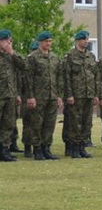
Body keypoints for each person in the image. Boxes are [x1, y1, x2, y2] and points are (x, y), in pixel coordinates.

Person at [24, 31, 63, 161]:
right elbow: (28, 78)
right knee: (37, 123)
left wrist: (58, 95)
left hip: (52, 96)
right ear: (40, 42)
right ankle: (37, 149)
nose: (48, 44)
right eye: (46, 41)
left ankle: (46, 148)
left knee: (49, 123)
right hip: (38, 96)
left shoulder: (55, 58)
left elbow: (58, 78)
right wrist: (30, 96)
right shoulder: (33, 57)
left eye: (50, 41)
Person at [62, 30, 98, 159]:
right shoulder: (70, 56)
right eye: (84, 39)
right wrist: (69, 95)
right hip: (76, 95)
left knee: (86, 122)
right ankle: (74, 148)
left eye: (87, 39)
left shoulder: (91, 56)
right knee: (74, 122)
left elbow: (95, 76)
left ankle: (82, 146)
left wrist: (95, 94)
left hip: (89, 94)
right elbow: (66, 77)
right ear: (78, 41)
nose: (86, 41)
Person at [0, 29, 28, 162]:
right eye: (7, 40)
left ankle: (4, 150)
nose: (9, 42)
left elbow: (24, 66)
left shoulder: (10, 56)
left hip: (10, 95)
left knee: (8, 124)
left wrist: (11, 52)